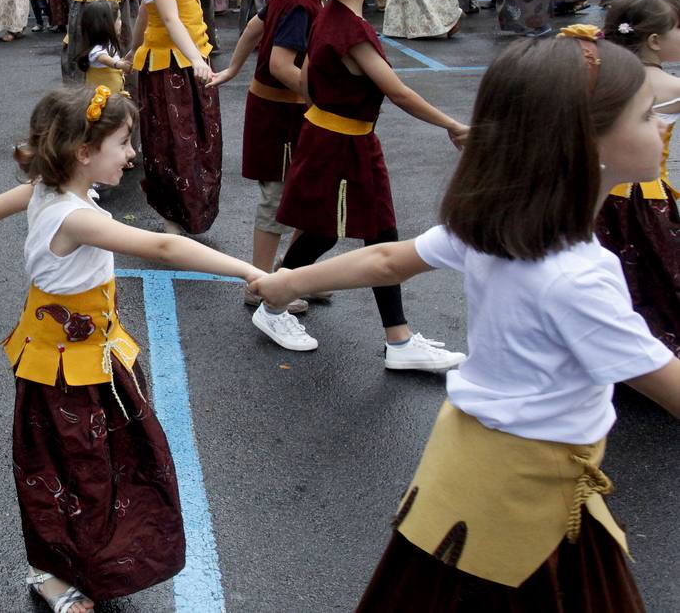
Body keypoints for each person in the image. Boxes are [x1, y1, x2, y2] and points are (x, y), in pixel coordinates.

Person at [253, 33, 680, 611]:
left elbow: (386, 259)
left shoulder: (495, 220)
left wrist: (287, 281)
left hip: (462, 468)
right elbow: (664, 382)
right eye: (647, 114)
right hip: (530, 503)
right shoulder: (578, 275)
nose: (662, 126)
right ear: (586, 143)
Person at [0, 85, 267, 612]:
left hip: (94, 362)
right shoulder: (76, 217)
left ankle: (91, 560)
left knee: (99, 465)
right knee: (68, 469)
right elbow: (163, 244)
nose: (133, 155)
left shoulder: (52, 192)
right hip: (61, 372)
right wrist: (247, 269)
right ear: (84, 153)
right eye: (124, 143)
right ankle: (50, 574)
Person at [255, 0, 469, 368]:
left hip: (337, 136)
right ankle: (274, 306)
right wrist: (453, 125)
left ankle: (399, 340)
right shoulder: (350, 27)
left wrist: (323, 111)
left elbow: (309, 77)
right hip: (340, 141)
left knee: (373, 232)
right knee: (330, 230)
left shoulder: (328, 12)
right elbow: (399, 92)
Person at [215, 0, 335, 306]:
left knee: (302, 193)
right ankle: (262, 284)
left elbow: (253, 27)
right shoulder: (301, 1)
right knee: (277, 197)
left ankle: (291, 275)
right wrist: (320, 94)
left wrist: (233, 69)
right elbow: (283, 63)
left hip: (286, 110)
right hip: (283, 114)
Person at [129, 0, 221, 235]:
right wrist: (196, 59)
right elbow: (166, 17)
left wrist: (130, 52)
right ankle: (172, 216)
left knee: (196, 138)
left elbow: (143, 12)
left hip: (190, 61)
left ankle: (189, 211)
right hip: (170, 66)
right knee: (171, 141)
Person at [596, 0, 680, 353]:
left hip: (599, 191)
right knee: (656, 270)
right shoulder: (671, 88)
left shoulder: (603, 74)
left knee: (605, 270)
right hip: (647, 196)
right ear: (655, 40)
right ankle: (651, 346)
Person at [71, 0, 130, 96]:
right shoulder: (97, 49)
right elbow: (103, 58)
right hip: (102, 100)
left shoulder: (108, 45)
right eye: (118, 19)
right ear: (106, 25)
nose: (121, 22)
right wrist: (118, 65)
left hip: (113, 94)